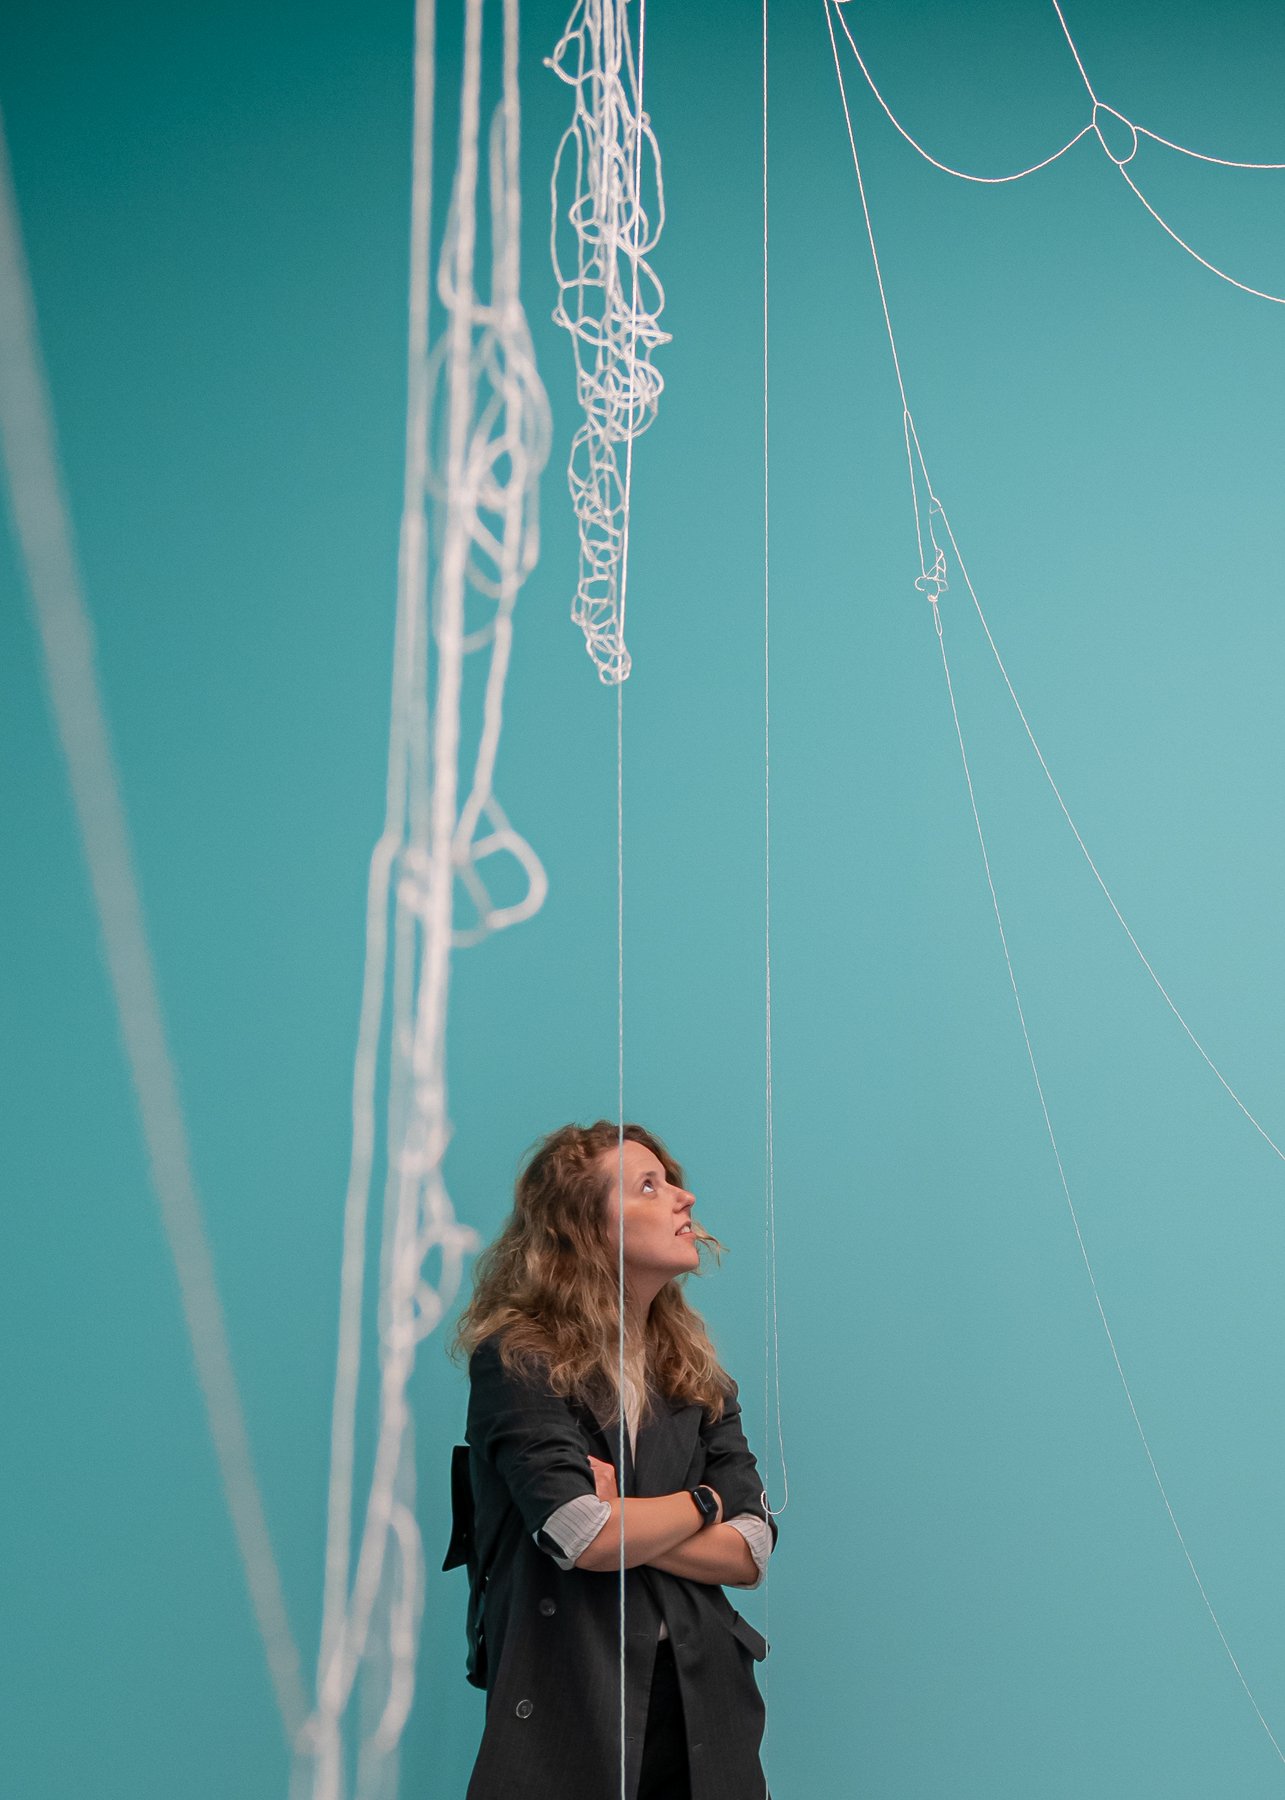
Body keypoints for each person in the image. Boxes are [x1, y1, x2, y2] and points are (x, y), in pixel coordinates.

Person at [445, 1120, 777, 1800]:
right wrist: (701, 1506)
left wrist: (628, 1520)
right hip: (569, 1701)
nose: (682, 1198)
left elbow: (750, 1551)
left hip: (700, 1704)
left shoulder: (697, 1377)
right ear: (584, 1228)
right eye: (649, 1186)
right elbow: (580, 1536)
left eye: (671, 1180)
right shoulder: (518, 1360)